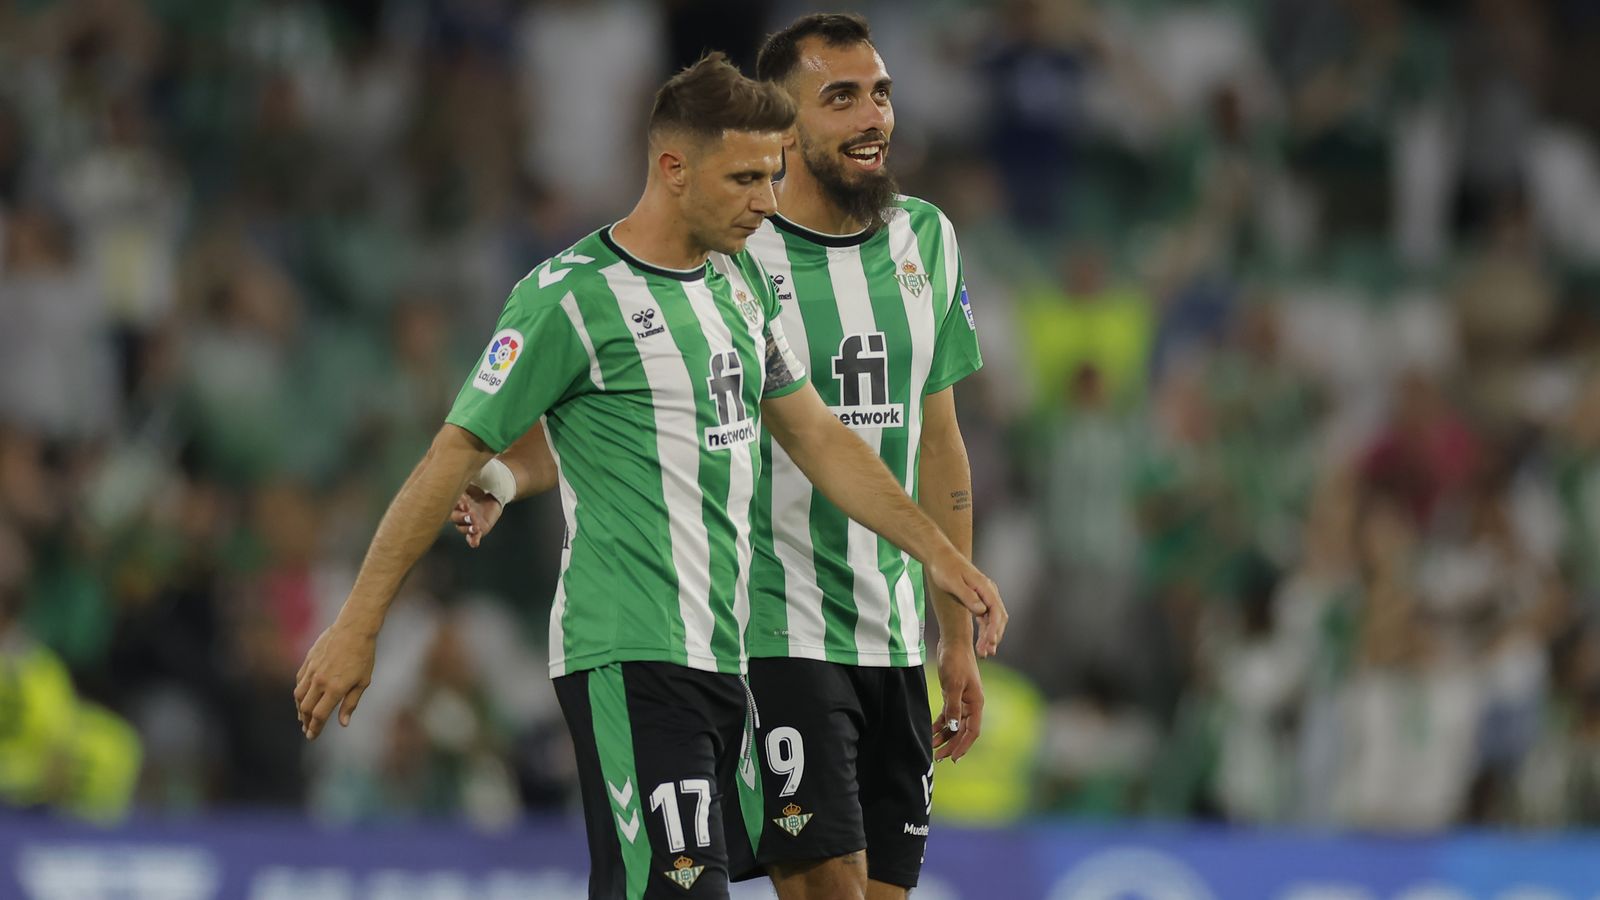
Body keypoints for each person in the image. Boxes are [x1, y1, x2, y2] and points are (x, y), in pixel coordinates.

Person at [294, 54, 1003, 900]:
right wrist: (357, 626)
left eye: (774, 177)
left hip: (725, 660)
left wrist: (939, 556)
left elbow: (817, 435)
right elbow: (449, 453)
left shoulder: (737, 289)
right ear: (672, 169)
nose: (766, 203)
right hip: (629, 654)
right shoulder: (568, 297)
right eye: (745, 178)